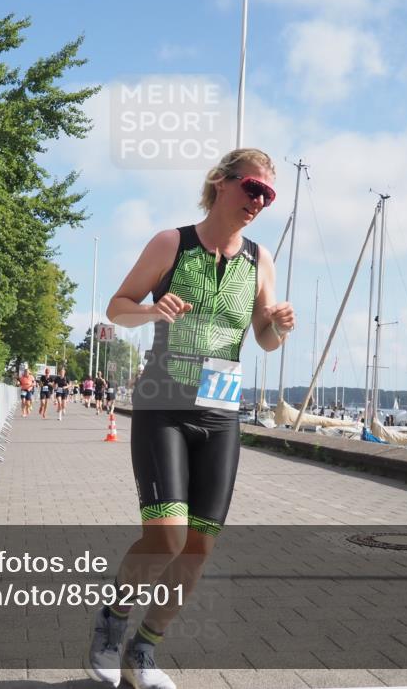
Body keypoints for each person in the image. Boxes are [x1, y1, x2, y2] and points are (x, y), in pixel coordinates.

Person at [84, 148, 295, 689]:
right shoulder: (170, 243)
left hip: (221, 414)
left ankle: (143, 652)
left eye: (268, 196)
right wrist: (152, 309)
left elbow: (266, 342)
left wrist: (277, 325)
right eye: (253, 189)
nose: (259, 202)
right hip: (163, 405)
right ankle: (112, 624)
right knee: (167, 538)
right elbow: (116, 306)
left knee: (199, 546)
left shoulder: (259, 259)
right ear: (221, 183)